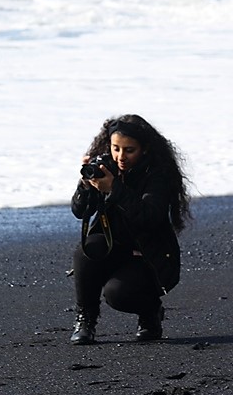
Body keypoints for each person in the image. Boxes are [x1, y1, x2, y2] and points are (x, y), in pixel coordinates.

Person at [69, 114, 191, 345]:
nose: (121, 157)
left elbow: (149, 217)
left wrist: (114, 188)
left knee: (118, 295)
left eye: (129, 150)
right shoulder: (106, 168)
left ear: (144, 149)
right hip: (112, 247)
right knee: (86, 250)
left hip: (147, 256)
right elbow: (79, 211)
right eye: (116, 148)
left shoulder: (157, 175)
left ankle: (150, 312)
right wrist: (85, 186)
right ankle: (85, 320)